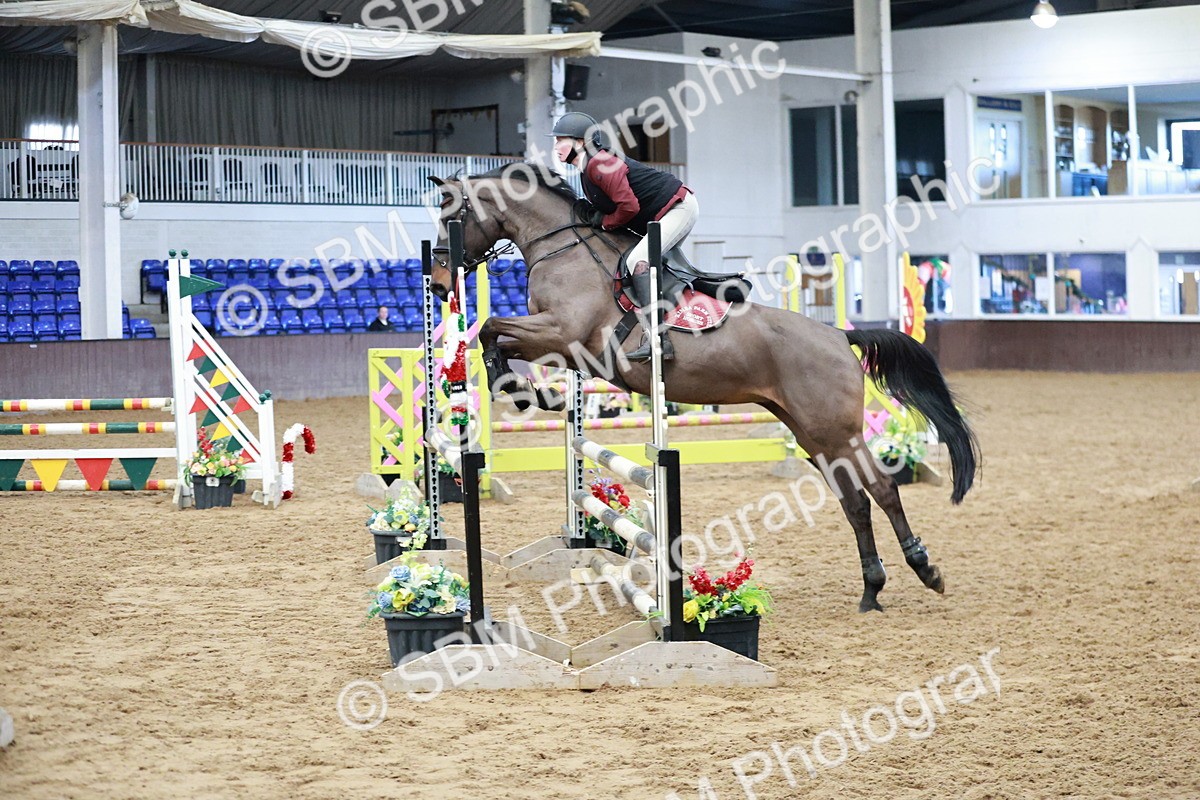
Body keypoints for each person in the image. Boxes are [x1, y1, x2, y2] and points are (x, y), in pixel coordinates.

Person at [550, 111, 697, 362]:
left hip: (677, 209)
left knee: (637, 262)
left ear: (580, 142)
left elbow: (629, 207)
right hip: (659, 216)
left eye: (560, 140)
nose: (555, 147)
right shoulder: (587, 169)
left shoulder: (599, 164)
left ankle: (660, 340)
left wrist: (605, 222)